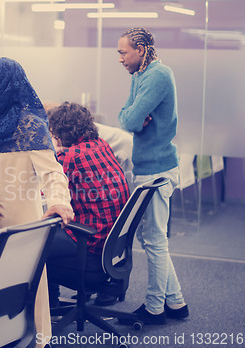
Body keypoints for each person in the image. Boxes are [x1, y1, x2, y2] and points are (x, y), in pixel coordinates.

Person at [0, 57, 74, 345]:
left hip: (20, 229)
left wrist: (59, 202)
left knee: (21, 292)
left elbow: (53, 173)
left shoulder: (29, 127)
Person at [117, 27, 188, 324]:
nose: (119, 58)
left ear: (141, 50)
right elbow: (126, 117)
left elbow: (132, 120)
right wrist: (132, 116)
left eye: (123, 52)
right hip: (149, 167)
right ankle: (176, 302)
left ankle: (155, 308)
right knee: (151, 239)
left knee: (155, 241)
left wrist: (134, 117)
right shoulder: (139, 77)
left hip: (158, 170)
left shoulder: (158, 75)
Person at [44, 102, 130, 307]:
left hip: (90, 245)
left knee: (33, 244)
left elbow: (44, 192)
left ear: (58, 133)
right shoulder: (101, 144)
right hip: (110, 246)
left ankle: (50, 307)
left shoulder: (69, 157)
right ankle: (52, 306)